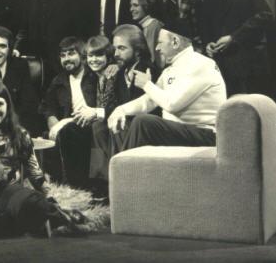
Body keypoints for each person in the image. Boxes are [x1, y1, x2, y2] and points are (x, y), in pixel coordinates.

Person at [0, 80, 83, 237]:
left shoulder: (19, 133)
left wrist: (48, 197)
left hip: (10, 193)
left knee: (33, 202)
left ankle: (45, 218)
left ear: (8, 106)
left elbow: (35, 172)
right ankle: (18, 225)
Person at [107, 21, 227, 151]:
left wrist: (146, 84)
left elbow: (172, 104)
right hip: (181, 132)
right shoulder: (170, 70)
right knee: (123, 124)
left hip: (205, 134)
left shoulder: (201, 64)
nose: (157, 48)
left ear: (175, 42)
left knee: (143, 123)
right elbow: (150, 101)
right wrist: (121, 110)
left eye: (160, 42)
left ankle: (123, 164)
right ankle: (123, 163)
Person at [40, 36, 117, 189]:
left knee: (70, 131)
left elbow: (105, 104)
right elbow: (48, 107)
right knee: (49, 136)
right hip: (67, 129)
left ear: (82, 55)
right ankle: (58, 185)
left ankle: (77, 187)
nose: (66, 59)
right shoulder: (59, 80)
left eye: (71, 53)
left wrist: (115, 65)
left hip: (92, 125)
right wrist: (54, 124)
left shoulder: (94, 74)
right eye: (63, 55)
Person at [13, 0, 89, 86]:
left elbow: (81, 29)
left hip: (65, 65)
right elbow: (23, 30)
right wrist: (16, 48)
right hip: (38, 69)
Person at [91, 25, 158, 167]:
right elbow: (113, 105)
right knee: (98, 127)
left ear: (138, 50)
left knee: (121, 125)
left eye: (121, 48)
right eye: (115, 48)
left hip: (142, 127)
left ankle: (122, 173)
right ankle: (102, 177)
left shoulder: (148, 71)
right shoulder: (121, 73)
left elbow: (146, 108)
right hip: (123, 125)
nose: (115, 54)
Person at [129, 0, 164, 64]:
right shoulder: (145, 26)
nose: (131, 9)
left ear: (146, 6)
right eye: (131, 5)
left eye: (135, 5)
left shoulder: (153, 25)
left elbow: (152, 58)